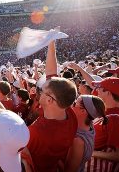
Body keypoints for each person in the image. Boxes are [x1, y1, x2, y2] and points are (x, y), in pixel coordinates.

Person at [27, 41, 78, 172]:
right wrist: (51, 43)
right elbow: (51, 72)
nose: (38, 92)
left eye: (41, 91)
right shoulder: (69, 114)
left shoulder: (36, 132)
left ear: (49, 100)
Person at [85, 77, 119, 171]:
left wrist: (91, 152)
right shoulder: (107, 110)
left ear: (108, 93)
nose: (96, 90)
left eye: (100, 88)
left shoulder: (115, 118)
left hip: (95, 167)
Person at [64, 95, 107, 172]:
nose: (71, 105)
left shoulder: (78, 141)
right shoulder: (89, 126)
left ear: (83, 111)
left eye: (74, 104)